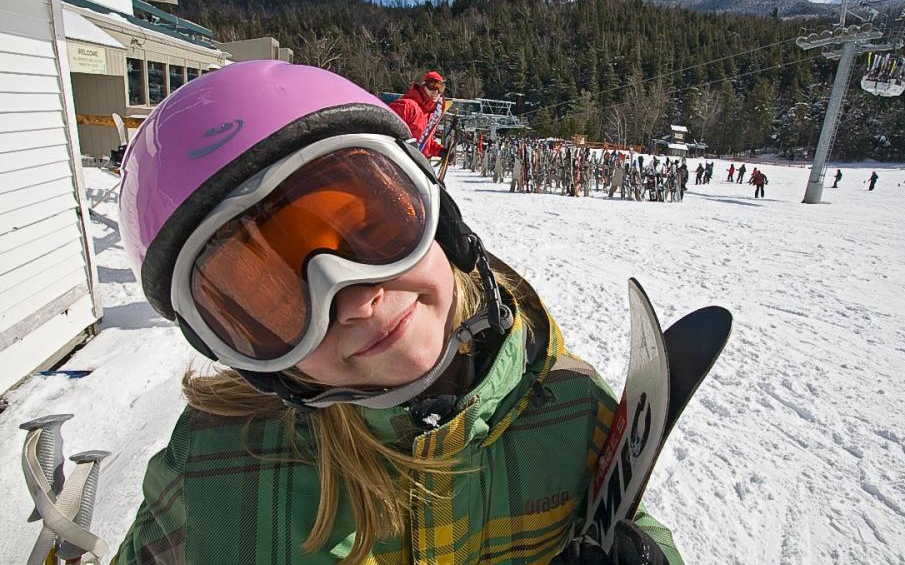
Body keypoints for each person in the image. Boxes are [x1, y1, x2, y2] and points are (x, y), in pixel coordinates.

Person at [112, 61, 682, 565]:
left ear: (442, 220)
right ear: (249, 357)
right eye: (278, 303)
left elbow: (624, 508)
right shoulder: (214, 478)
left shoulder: (571, 411)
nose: (358, 300)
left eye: (378, 230)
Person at [389, 70, 447, 158]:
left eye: (440, 87)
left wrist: (440, 151)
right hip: (399, 161)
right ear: (423, 86)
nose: (435, 91)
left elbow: (423, 143)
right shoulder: (407, 106)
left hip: (416, 163)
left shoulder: (431, 114)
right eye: (431, 85)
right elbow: (386, 132)